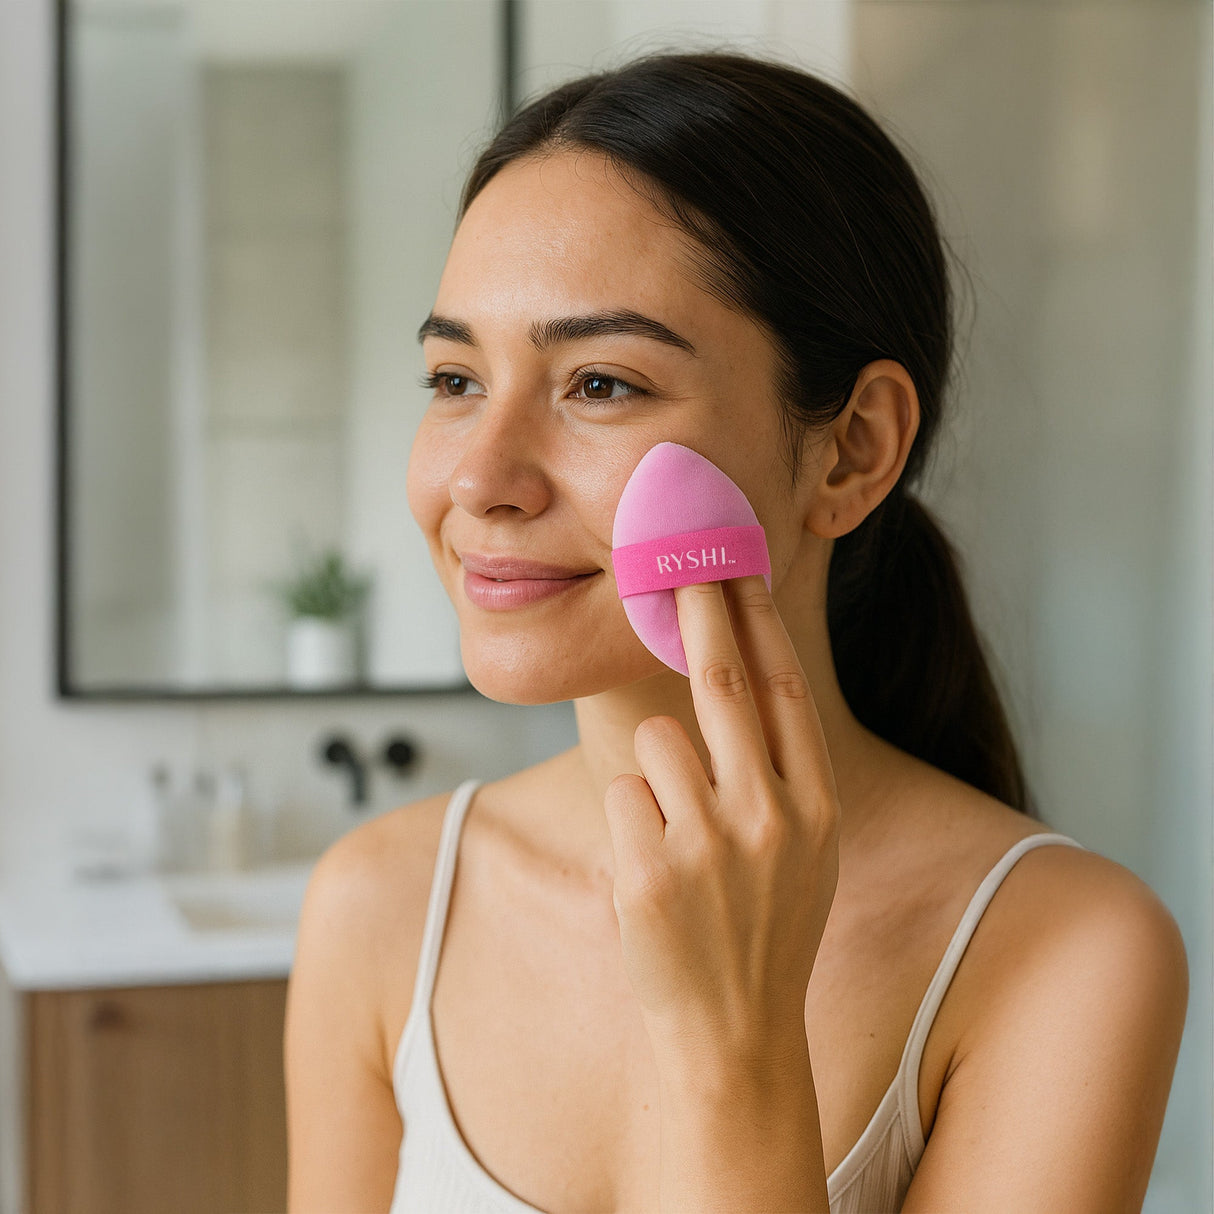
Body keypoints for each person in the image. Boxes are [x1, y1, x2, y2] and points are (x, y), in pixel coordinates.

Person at [284, 52, 1187, 1213]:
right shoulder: (382, 900)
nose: (478, 477)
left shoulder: (1066, 951)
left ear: (853, 447)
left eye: (599, 382)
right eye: (454, 378)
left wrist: (731, 1039)